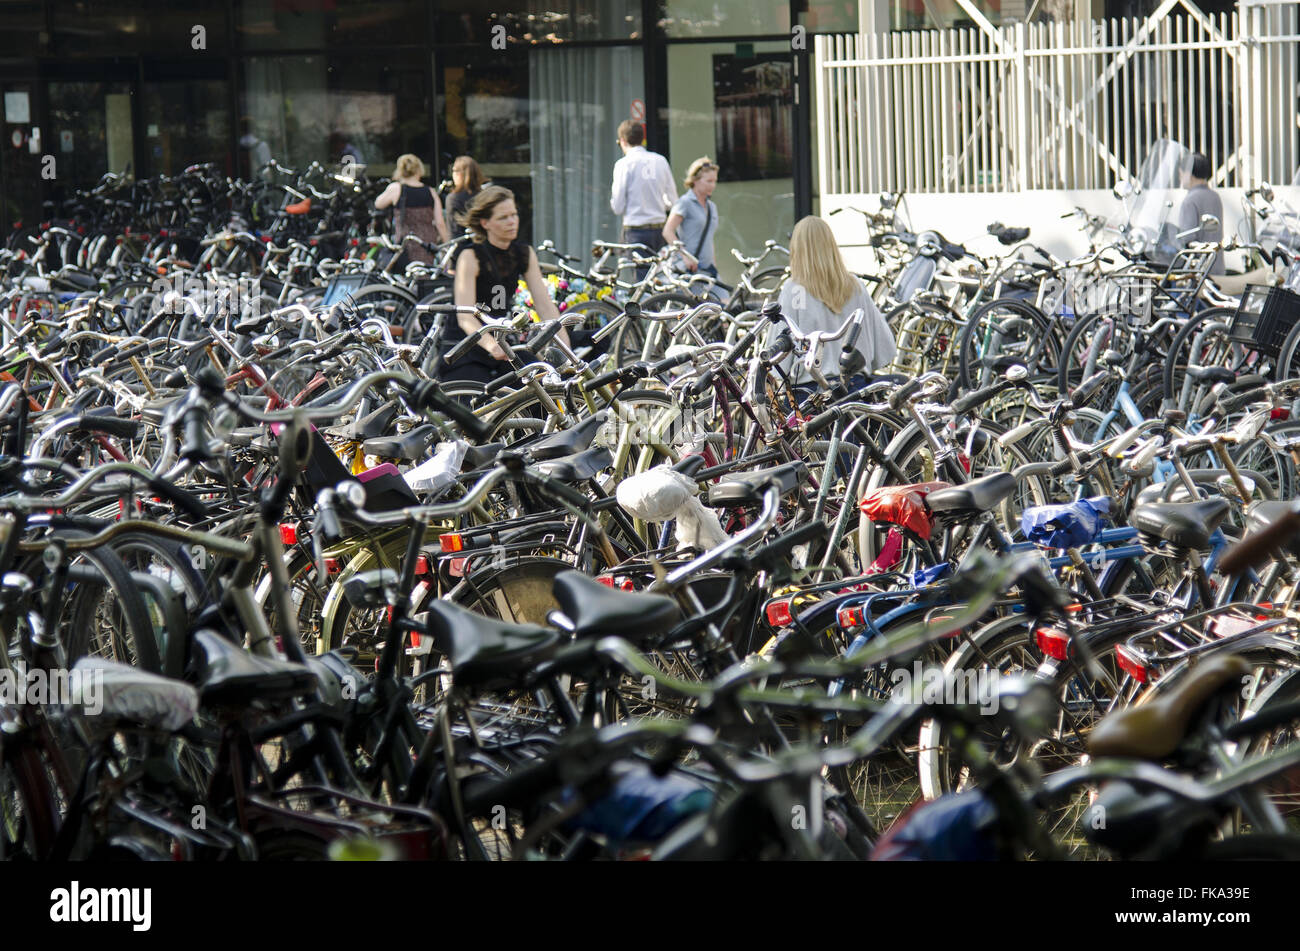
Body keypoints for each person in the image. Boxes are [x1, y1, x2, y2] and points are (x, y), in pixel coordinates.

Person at [441, 185, 567, 386]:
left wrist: (564, 346)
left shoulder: (523, 252)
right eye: (503, 217)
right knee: (473, 405)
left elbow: (544, 305)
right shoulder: (470, 256)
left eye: (514, 215)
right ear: (485, 223)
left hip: (504, 345)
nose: (512, 222)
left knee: (542, 391)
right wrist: (492, 346)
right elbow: (465, 317)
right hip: (466, 345)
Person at [765, 216, 896, 390]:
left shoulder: (795, 289)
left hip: (811, 392)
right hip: (856, 388)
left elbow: (779, 353)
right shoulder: (855, 285)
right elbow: (885, 347)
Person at [610, 120, 676, 260]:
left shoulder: (623, 164)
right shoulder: (660, 161)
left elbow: (618, 206)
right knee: (661, 275)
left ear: (622, 141)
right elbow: (673, 200)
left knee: (641, 278)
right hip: (660, 230)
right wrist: (658, 203)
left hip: (636, 230)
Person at [374, 154, 450, 266]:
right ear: (419, 170)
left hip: (406, 242)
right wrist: (447, 245)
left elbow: (378, 204)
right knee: (424, 272)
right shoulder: (430, 191)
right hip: (427, 243)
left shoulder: (396, 188)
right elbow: (440, 223)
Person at [663, 157, 720, 279]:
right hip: (690, 269)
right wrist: (685, 256)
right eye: (709, 181)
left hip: (708, 269)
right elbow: (668, 231)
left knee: (723, 298)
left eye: (715, 181)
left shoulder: (711, 207)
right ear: (695, 180)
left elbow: (709, 238)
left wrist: (714, 266)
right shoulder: (685, 203)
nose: (713, 185)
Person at [1177, 151, 1225, 275]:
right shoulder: (1215, 196)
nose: (1180, 178)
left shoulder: (1190, 200)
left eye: (1181, 174)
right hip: (1217, 265)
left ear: (1188, 174)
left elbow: (1186, 238)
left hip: (1198, 271)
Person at [445, 155, 484, 237]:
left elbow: (454, 232)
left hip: (464, 245)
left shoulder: (453, 198)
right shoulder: (485, 195)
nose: (453, 174)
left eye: (454, 170)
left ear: (460, 174)